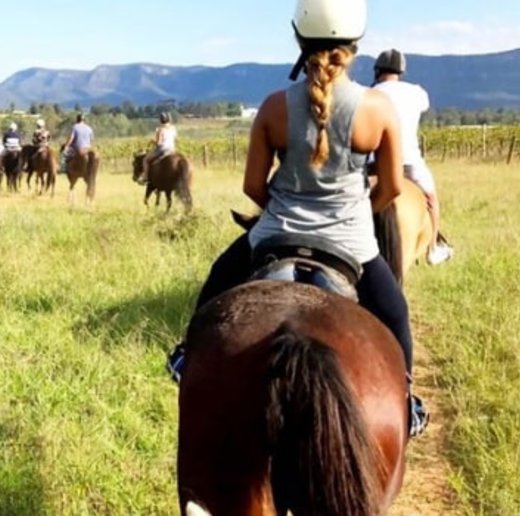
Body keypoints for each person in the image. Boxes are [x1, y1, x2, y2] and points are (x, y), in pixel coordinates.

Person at [164, 0, 428, 438]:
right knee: (395, 312)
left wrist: (284, 210)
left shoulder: (272, 108)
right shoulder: (378, 109)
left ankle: (186, 357)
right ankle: (407, 403)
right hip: (352, 242)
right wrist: (358, 212)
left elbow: (253, 187)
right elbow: (392, 189)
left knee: (217, 282)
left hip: (275, 234)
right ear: (354, 44)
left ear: (299, 39)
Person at [373, 48, 453, 265]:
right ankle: (434, 248)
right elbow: (424, 106)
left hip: (374, 163)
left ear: (377, 70)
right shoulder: (416, 92)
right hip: (408, 160)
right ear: (401, 71)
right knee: (431, 198)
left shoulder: (369, 93)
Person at [137, 112, 177, 185]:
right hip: (172, 149)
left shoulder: (160, 129)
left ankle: (145, 177)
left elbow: (158, 143)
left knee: (145, 160)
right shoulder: (173, 128)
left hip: (163, 149)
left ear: (160, 120)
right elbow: (174, 139)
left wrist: (152, 142)